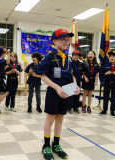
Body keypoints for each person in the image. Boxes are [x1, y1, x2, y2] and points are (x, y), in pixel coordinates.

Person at [37, 28, 80, 160]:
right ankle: (46, 145)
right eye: (63, 39)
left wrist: (75, 84)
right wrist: (56, 87)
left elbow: (72, 74)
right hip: (54, 92)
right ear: (54, 41)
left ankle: (56, 144)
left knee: (60, 119)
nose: (66, 42)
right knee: (50, 119)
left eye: (68, 39)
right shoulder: (48, 57)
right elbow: (43, 76)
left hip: (66, 92)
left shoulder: (68, 58)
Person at [99, 51, 115, 118]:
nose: (111, 57)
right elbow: (101, 74)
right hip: (107, 83)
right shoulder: (106, 66)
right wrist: (106, 74)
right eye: (110, 56)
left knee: (114, 97)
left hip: (114, 83)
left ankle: (112, 111)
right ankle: (104, 110)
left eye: (114, 56)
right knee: (106, 97)